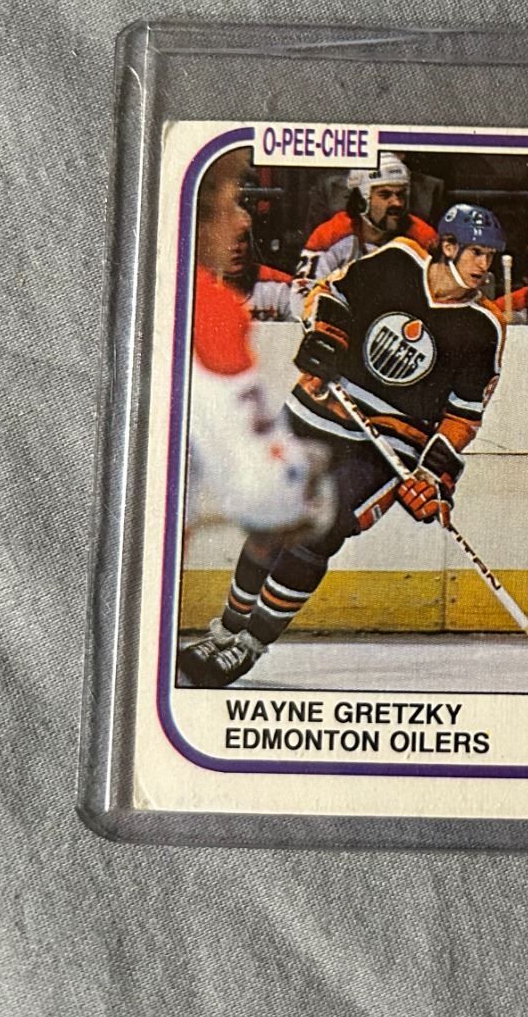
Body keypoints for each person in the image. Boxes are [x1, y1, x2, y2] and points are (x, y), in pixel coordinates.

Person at [178, 202, 508, 687]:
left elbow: (463, 415)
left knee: (320, 528)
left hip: (387, 447)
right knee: (273, 515)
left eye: (491, 256)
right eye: (477, 252)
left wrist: (432, 475)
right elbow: (330, 294)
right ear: (449, 246)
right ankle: (226, 630)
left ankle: (250, 644)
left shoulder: (485, 327)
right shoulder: (397, 260)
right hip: (321, 407)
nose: (484, 265)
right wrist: (327, 336)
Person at [186, 152, 330, 538]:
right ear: (194, 217)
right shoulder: (208, 306)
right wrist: (304, 480)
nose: (244, 221)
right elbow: (264, 492)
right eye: (232, 204)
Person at [293, 153, 437, 302]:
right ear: (361, 201)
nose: (397, 203)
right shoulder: (331, 235)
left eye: (400, 195)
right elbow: (302, 296)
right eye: (385, 195)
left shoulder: (424, 238)